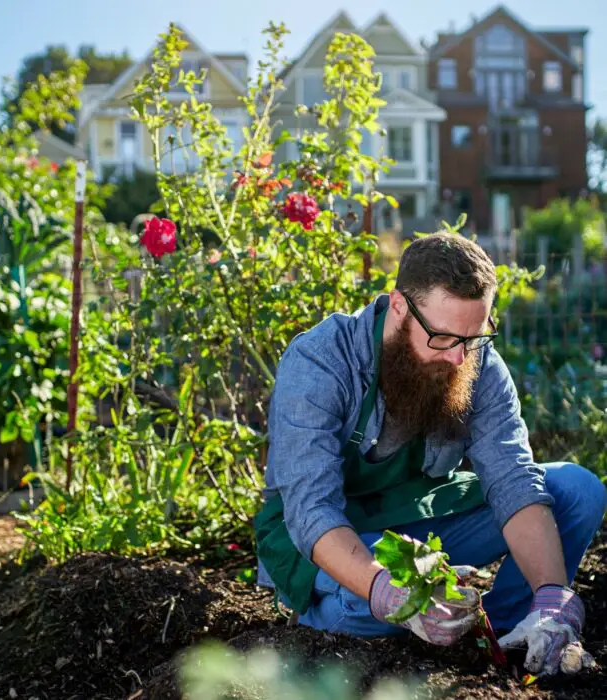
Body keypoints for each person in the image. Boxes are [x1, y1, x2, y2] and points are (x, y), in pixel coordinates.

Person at [255, 233, 606, 676]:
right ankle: (333, 618)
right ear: (399, 306)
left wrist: (552, 596)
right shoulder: (321, 362)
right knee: (369, 605)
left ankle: (512, 633)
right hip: (331, 538)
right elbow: (312, 511)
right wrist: (387, 590)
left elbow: (513, 479)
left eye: (473, 338)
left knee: (577, 490)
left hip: (419, 521)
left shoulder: (475, 361)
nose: (459, 358)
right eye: (442, 337)